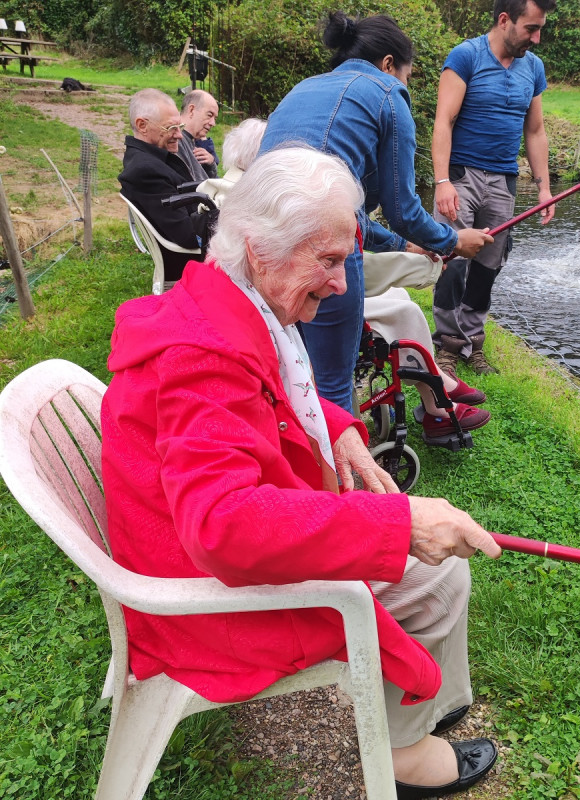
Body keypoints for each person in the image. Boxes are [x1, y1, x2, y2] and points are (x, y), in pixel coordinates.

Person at [101, 147, 501, 798]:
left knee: (430, 563)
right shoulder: (199, 359)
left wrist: (339, 430)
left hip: (171, 545)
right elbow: (224, 525)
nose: (343, 284)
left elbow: (279, 388)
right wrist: (398, 523)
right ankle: (406, 753)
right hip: (197, 599)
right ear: (260, 249)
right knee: (440, 575)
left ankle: (428, 702)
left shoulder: (223, 299)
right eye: (328, 259)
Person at [260, 12, 494, 414]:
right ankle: (341, 474)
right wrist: (453, 240)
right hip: (320, 241)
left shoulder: (306, 87)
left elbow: (350, 212)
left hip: (260, 234)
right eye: (407, 75)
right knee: (333, 382)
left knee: (292, 362)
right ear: (389, 64)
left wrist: (406, 245)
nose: (406, 85)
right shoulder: (387, 92)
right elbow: (401, 208)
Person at [199, 119, 490, 438]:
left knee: (398, 299)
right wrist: (428, 268)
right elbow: (355, 273)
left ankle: (433, 381)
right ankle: (435, 394)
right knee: (402, 309)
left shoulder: (232, 194)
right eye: (330, 260)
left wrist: (407, 247)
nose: (340, 281)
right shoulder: (278, 213)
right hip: (310, 312)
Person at [431, 0, 557, 378]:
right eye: (530, 29)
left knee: (488, 266)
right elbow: (444, 120)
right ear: (505, 20)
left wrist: (544, 188)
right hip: (460, 176)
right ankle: (447, 347)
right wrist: (442, 183)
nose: (535, 38)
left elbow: (534, 131)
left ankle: (473, 343)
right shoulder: (466, 56)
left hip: (503, 181)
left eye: (539, 30)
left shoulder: (532, 67)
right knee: (454, 261)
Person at [118, 88, 216, 283]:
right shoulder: (145, 170)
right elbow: (188, 234)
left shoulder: (150, 158)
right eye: (171, 128)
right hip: (190, 263)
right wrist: (223, 217)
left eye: (180, 126)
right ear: (142, 125)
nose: (179, 135)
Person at [178, 89, 219, 181]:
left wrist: (211, 163)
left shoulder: (192, 139)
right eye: (209, 115)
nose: (213, 123)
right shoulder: (175, 141)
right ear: (191, 110)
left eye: (215, 118)